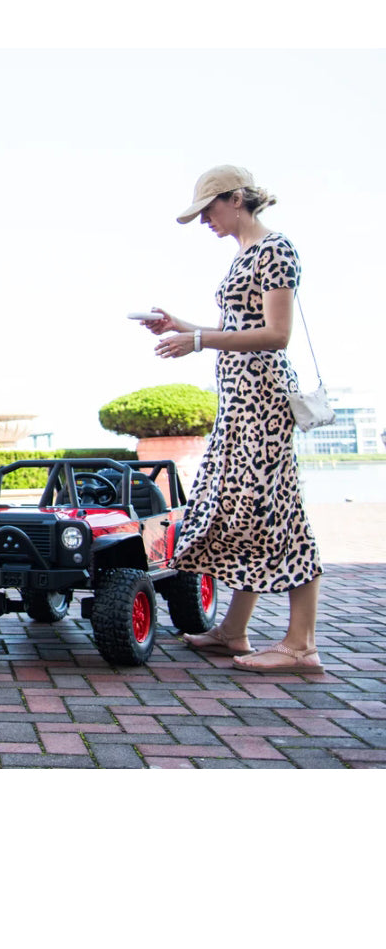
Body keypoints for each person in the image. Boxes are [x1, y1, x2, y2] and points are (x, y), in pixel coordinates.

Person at [140, 164, 324, 674]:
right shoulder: (245, 255)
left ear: (236, 199)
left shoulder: (276, 250)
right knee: (243, 509)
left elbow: (276, 335)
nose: (205, 221)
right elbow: (236, 328)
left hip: (263, 401)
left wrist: (199, 340)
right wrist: (182, 326)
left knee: (276, 510)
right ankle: (233, 630)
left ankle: (301, 646)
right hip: (240, 402)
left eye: (209, 210)